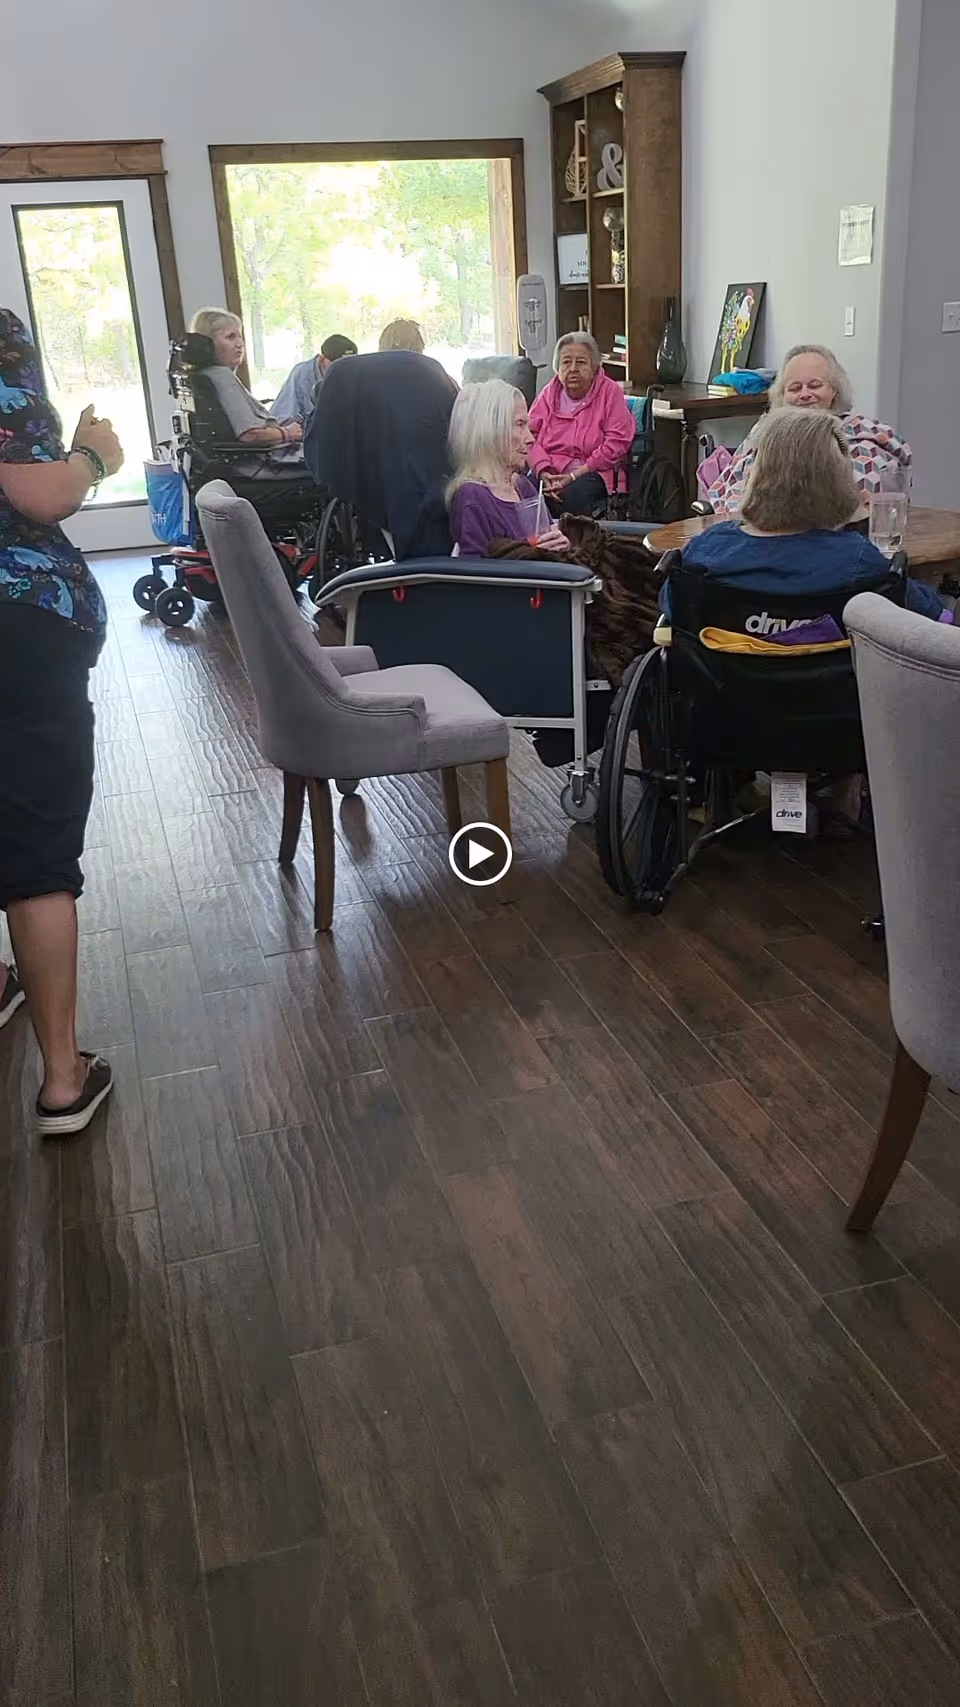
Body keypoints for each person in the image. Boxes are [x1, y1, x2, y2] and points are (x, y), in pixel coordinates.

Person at [0, 308, 124, 1134]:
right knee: (36, 845)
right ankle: (62, 1080)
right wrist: (90, 456)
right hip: (18, 624)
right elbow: (36, 493)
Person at [680, 406, 945, 622]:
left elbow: (674, 611)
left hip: (720, 684)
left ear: (755, 473)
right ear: (836, 483)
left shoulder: (706, 549)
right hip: (837, 686)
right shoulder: (859, 560)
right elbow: (937, 617)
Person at [707, 344, 913, 513]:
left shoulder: (866, 442)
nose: (804, 394)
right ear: (783, 396)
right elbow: (734, 497)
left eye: (814, 386)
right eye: (795, 388)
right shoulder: (764, 433)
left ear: (834, 390)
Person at [447, 380, 569, 555]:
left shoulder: (522, 485)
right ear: (491, 431)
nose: (530, 438)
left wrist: (562, 544)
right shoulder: (472, 498)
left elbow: (547, 538)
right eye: (520, 425)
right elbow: (474, 575)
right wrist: (532, 557)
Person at [527, 332, 636, 516]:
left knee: (574, 495)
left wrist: (574, 475)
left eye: (581, 362)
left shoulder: (610, 392)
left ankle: (576, 542)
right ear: (558, 368)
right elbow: (528, 436)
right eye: (566, 362)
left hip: (595, 471)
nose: (573, 369)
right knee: (525, 488)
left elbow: (617, 442)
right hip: (551, 472)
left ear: (594, 367)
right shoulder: (549, 394)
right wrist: (543, 471)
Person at [189, 308, 303, 456]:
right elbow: (250, 435)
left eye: (240, 336)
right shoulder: (221, 377)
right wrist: (287, 433)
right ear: (208, 344)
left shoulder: (205, 374)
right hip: (259, 464)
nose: (240, 344)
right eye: (230, 337)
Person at [271, 332, 357, 426]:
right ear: (321, 359)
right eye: (336, 365)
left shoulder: (358, 372)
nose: (344, 371)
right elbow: (283, 417)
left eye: (349, 365)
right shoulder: (302, 373)